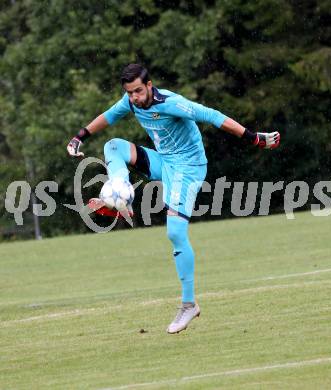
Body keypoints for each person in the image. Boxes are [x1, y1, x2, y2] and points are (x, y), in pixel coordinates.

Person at [67, 63, 280, 334]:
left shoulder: (172, 103)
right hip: (164, 162)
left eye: (138, 91)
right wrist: (78, 137)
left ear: (149, 85)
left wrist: (254, 138)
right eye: (129, 93)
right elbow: (108, 116)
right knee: (113, 146)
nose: (134, 97)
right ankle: (121, 194)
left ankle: (188, 304)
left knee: (175, 231)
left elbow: (212, 115)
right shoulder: (131, 103)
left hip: (188, 169)